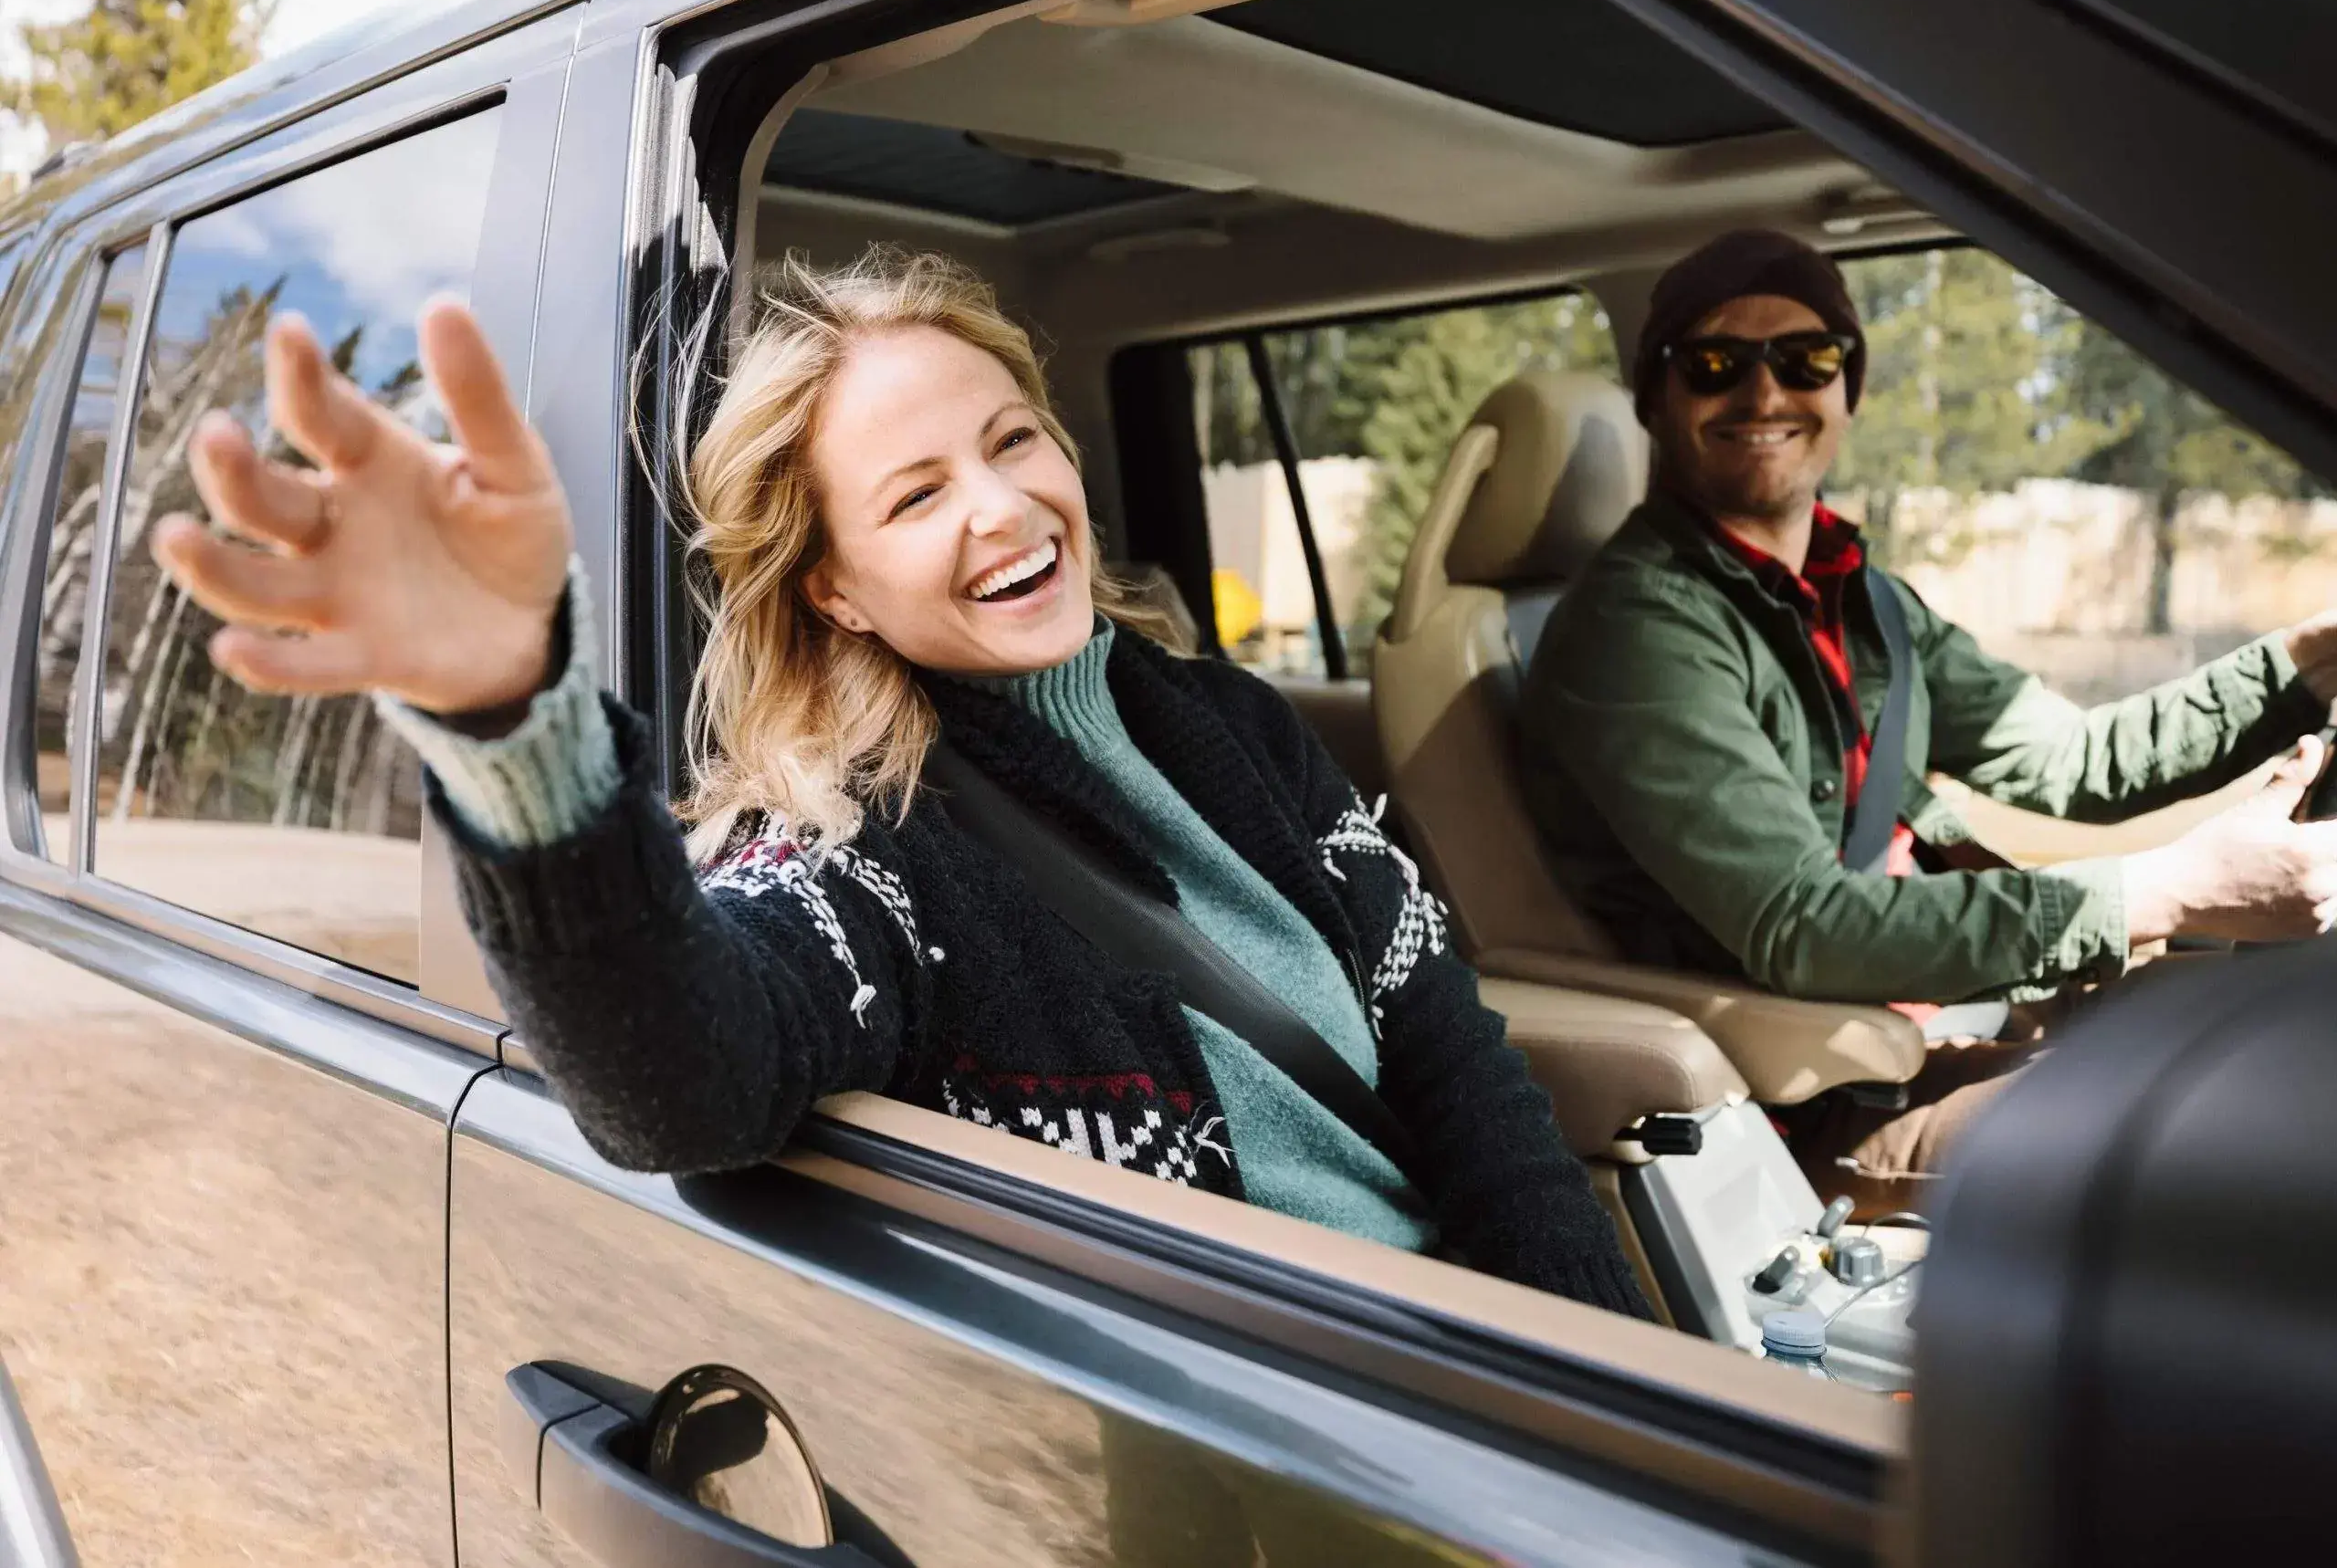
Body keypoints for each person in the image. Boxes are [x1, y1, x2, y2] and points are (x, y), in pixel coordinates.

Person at [152, 246, 1647, 1316]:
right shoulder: (861, 848)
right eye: (917, 493)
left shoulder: (1233, 723)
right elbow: (679, 1075)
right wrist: (508, 705)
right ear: (840, 591)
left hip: (1485, 1402)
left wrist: (1616, 1422)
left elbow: (1460, 1068)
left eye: (1015, 441)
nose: (1002, 506)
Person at [1519, 228, 2337, 1201]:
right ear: (1656, 399)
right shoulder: (1636, 625)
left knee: (2271, 1052)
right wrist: (2166, 887)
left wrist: (2298, 668)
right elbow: (1803, 928)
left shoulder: (1861, 596)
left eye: (1805, 359)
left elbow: (2070, 760)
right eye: (1713, 364)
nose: (1765, 394)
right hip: (1791, 1098)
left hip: (1925, 1027)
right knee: (2266, 1128)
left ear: (1846, 391)